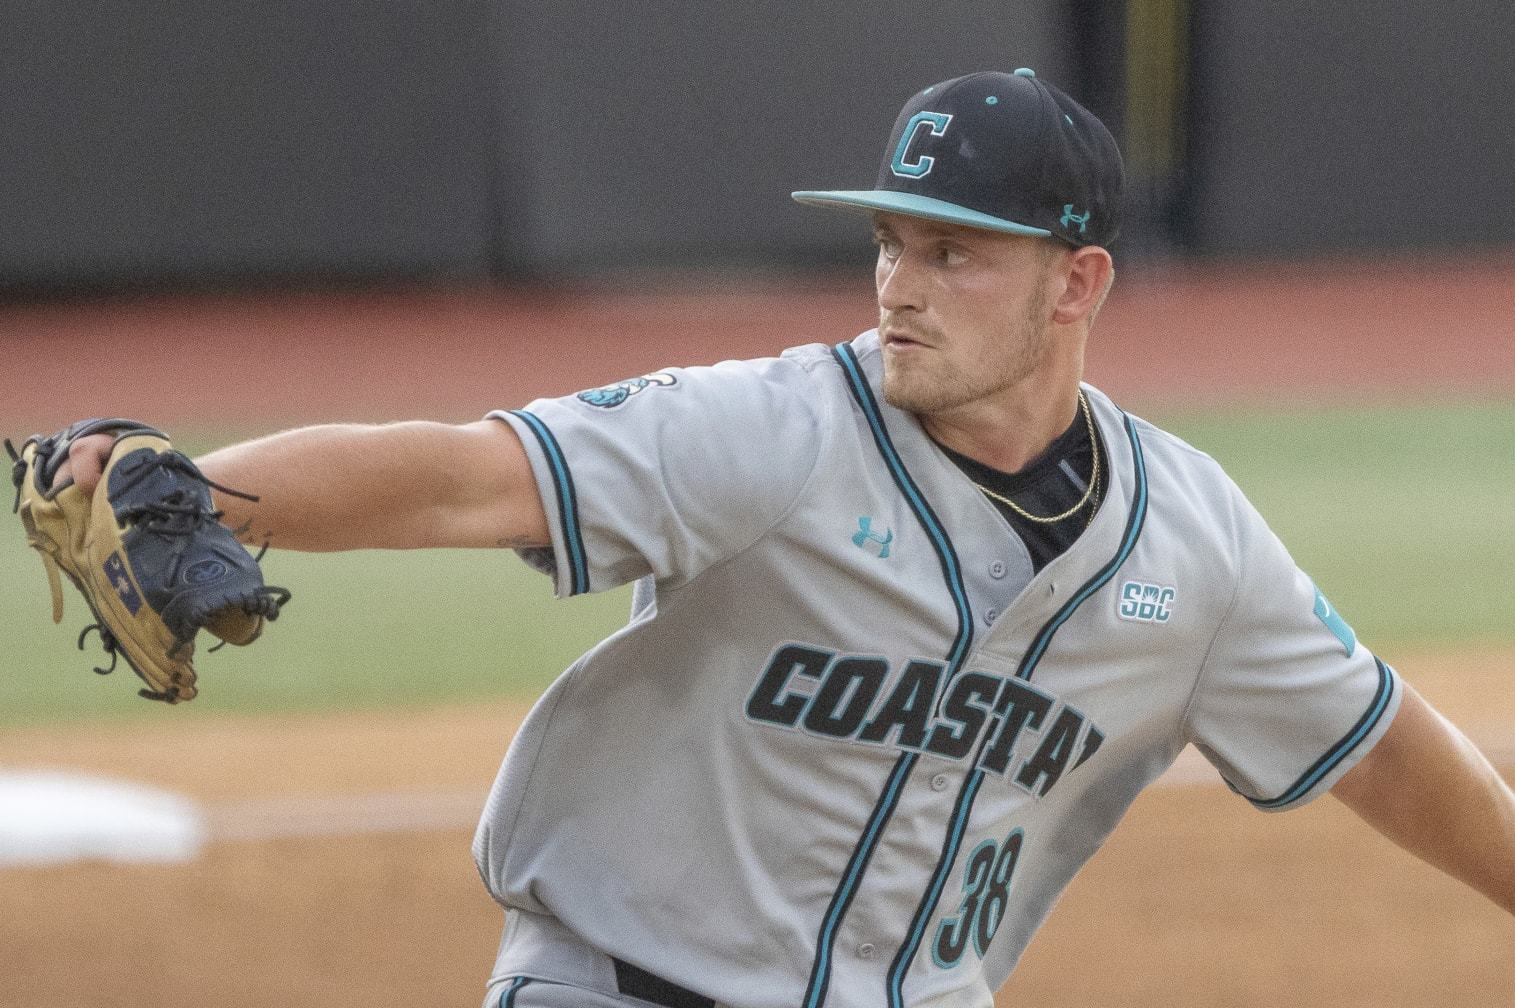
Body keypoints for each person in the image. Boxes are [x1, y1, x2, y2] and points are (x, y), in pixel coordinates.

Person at [62, 69, 1514, 1008]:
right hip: (612, 986)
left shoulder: (1191, 543)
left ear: (1077, 283)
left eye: (955, 254)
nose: (902, 285)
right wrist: (190, 487)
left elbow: (1379, 741)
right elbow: (466, 477)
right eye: (891, 243)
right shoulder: (770, 431)